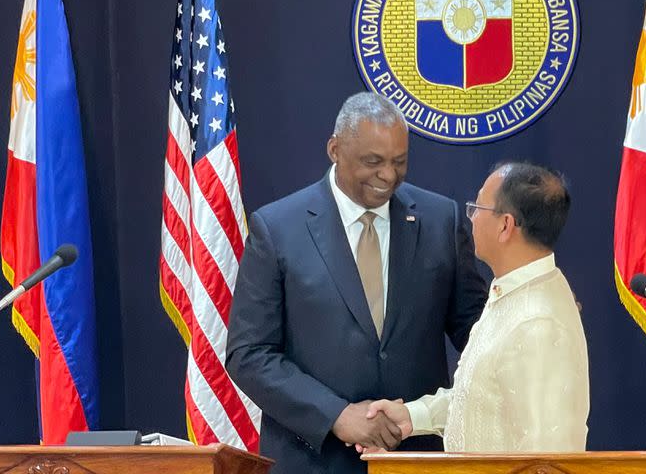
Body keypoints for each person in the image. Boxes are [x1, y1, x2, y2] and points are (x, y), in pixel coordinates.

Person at [225, 92, 486, 473]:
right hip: (314, 460)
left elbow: (476, 330)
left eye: (399, 161)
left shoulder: (440, 220)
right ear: (335, 149)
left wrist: (523, 315)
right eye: (373, 162)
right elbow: (248, 353)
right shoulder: (277, 229)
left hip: (415, 459)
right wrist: (335, 414)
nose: (389, 176)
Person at [364, 162, 589, 452]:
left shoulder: (538, 322)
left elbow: (545, 458)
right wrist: (411, 415)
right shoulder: (513, 293)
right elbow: (482, 399)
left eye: (477, 209)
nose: (470, 219)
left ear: (505, 225)